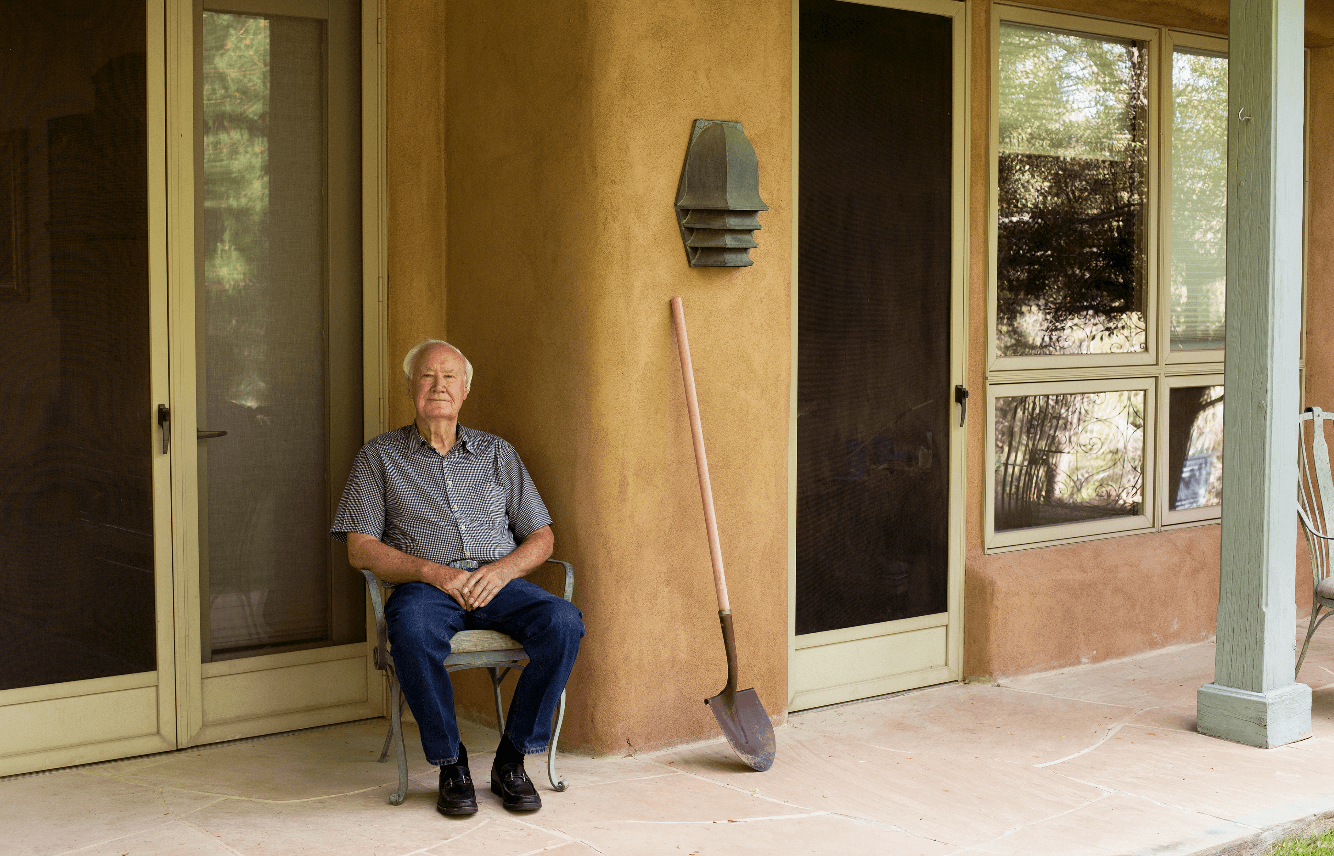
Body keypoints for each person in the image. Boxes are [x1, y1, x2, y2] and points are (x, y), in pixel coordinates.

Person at [331, 339, 583, 816]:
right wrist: (433, 572)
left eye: (450, 377)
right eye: (427, 376)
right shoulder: (378, 457)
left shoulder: (496, 453)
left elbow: (542, 536)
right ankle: (452, 764)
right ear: (410, 387)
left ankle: (511, 760)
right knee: (410, 629)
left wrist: (503, 570)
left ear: (465, 390)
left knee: (563, 621)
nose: (438, 386)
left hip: (499, 585)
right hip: (427, 589)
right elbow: (359, 547)